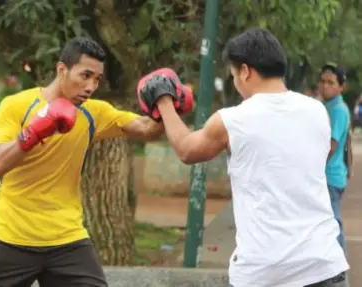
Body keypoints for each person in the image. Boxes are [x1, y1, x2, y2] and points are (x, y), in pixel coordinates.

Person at [0, 37, 192, 287]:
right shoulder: (16, 106)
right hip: (12, 236)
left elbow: (146, 128)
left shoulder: (93, 112)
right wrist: (36, 131)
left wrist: (168, 105)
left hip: (66, 239)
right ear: (61, 69)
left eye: (96, 79)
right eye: (85, 75)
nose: (90, 86)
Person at [138, 28, 349, 287]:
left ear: (246, 71)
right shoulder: (317, 111)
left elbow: (186, 148)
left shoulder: (233, 120)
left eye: (234, 75)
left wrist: (163, 99)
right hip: (324, 266)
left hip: (264, 274)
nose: (236, 83)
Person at [318, 63, 352, 251]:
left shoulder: (338, 109)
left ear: (341, 87)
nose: (325, 86)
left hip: (330, 176)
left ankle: (340, 268)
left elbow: (330, 147)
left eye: (331, 82)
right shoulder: (326, 106)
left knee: (332, 221)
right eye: (323, 81)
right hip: (327, 176)